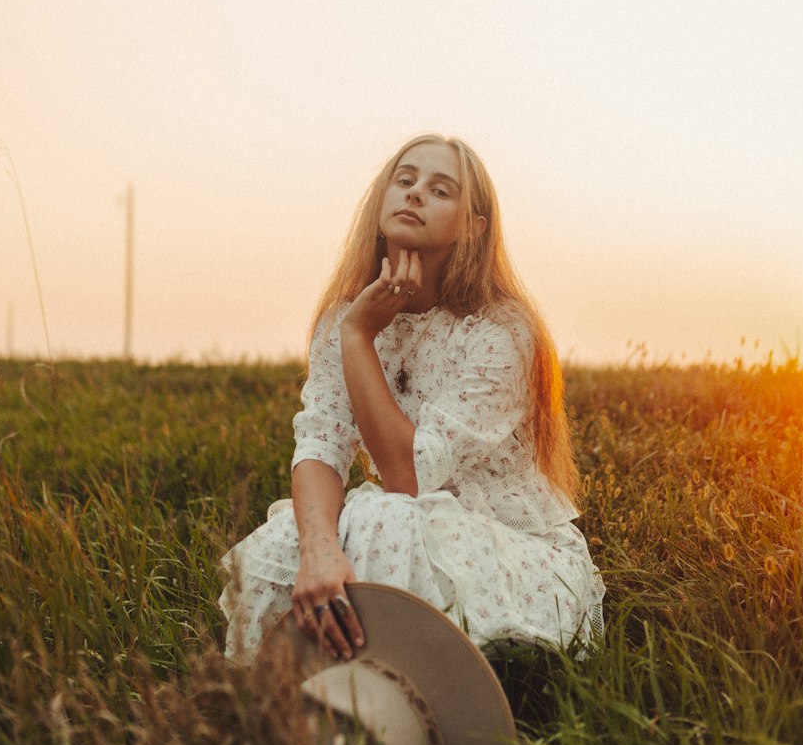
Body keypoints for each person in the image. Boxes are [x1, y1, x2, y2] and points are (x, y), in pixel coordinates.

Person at [220, 133, 605, 664]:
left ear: (473, 227)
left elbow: (407, 475)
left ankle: (406, 702)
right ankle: (297, 711)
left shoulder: (500, 330)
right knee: (287, 541)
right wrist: (320, 553)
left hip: (510, 551)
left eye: (440, 189)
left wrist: (359, 338)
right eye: (405, 180)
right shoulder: (342, 317)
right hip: (407, 523)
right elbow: (322, 445)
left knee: (387, 522)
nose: (415, 193)